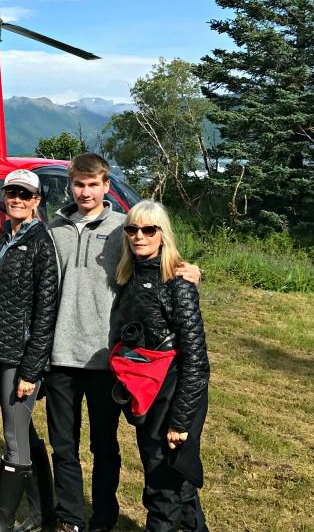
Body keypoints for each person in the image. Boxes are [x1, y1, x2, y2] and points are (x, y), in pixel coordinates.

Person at [46, 154, 200, 532]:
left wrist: (192, 273)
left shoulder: (124, 228)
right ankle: (69, 518)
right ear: (70, 185)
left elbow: (162, 263)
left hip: (109, 360)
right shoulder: (53, 230)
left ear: (106, 185)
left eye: (93, 184)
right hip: (61, 355)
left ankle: (102, 517)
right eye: (79, 184)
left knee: (105, 448)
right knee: (64, 447)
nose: (85, 192)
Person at [109, 200, 210, 532]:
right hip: (146, 391)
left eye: (149, 229)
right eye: (133, 229)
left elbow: (196, 360)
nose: (140, 236)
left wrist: (180, 420)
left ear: (162, 235)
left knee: (163, 483)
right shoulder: (129, 277)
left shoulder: (178, 283)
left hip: (175, 392)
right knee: (175, 478)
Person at [0, 169, 59, 532]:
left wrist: (32, 368)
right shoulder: (3, 238)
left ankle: (2, 524)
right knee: (24, 432)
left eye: (25, 195)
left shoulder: (41, 243)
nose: (17, 199)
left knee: (13, 438)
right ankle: (44, 511)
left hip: (20, 356)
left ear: (37, 201)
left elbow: (46, 311)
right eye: (11, 193)